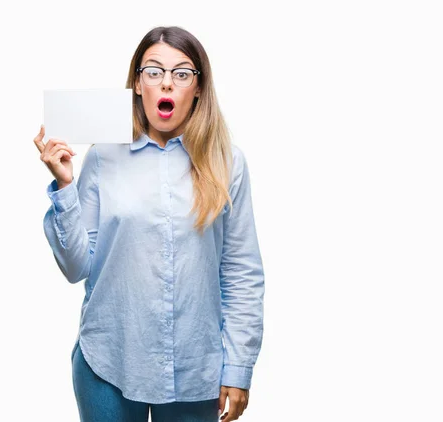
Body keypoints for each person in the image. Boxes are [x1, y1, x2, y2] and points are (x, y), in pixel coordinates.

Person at [33, 26, 265, 422]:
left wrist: (239, 368)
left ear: (198, 87)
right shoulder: (104, 156)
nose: (167, 83)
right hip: (108, 363)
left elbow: (241, 272)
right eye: (154, 71)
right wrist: (65, 185)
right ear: (138, 85)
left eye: (181, 73)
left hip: (196, 370)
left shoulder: (228, 162)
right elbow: (75, 267)